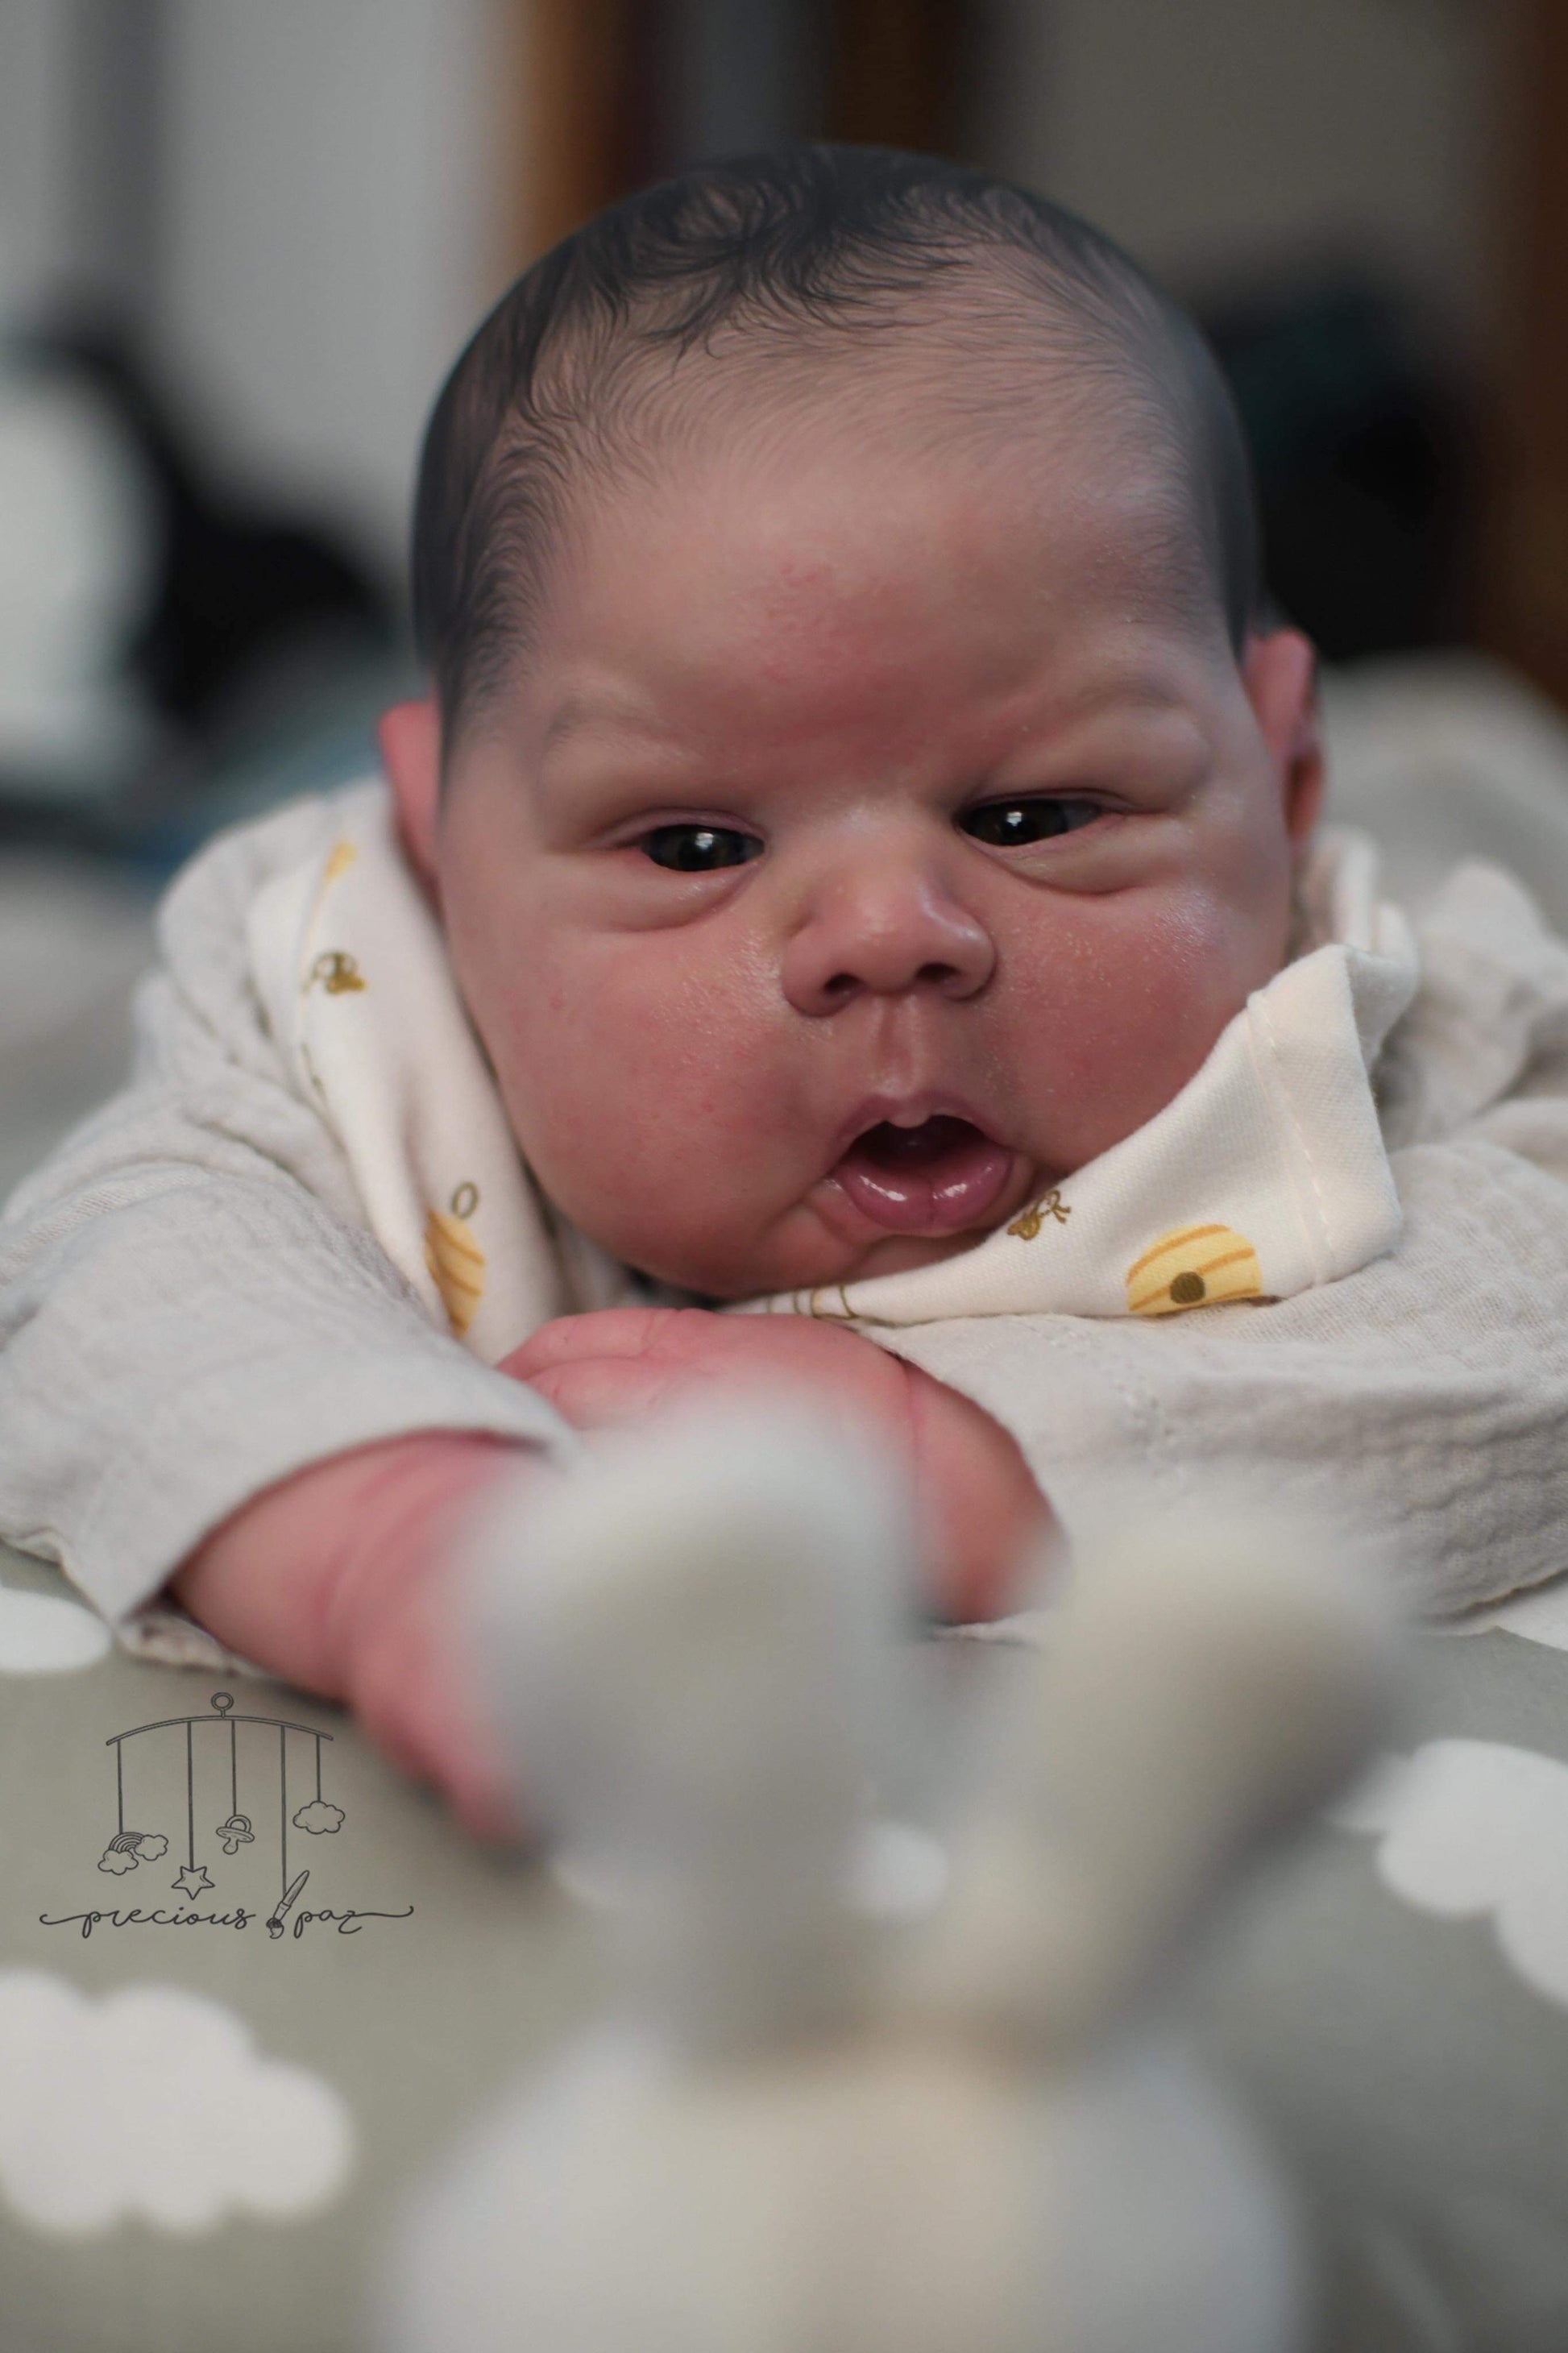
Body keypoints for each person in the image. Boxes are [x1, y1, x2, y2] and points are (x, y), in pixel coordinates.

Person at [6, 147, 1568, 1832]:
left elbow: (1530, 1317)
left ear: (1286, 778)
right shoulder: (357, 1005)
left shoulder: (1377, 1030)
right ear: (440, 849)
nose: (889, 935)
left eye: (1035, 817)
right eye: (694, 845)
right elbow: (121, 1264)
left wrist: (956, 1463)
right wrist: (391, 1528)